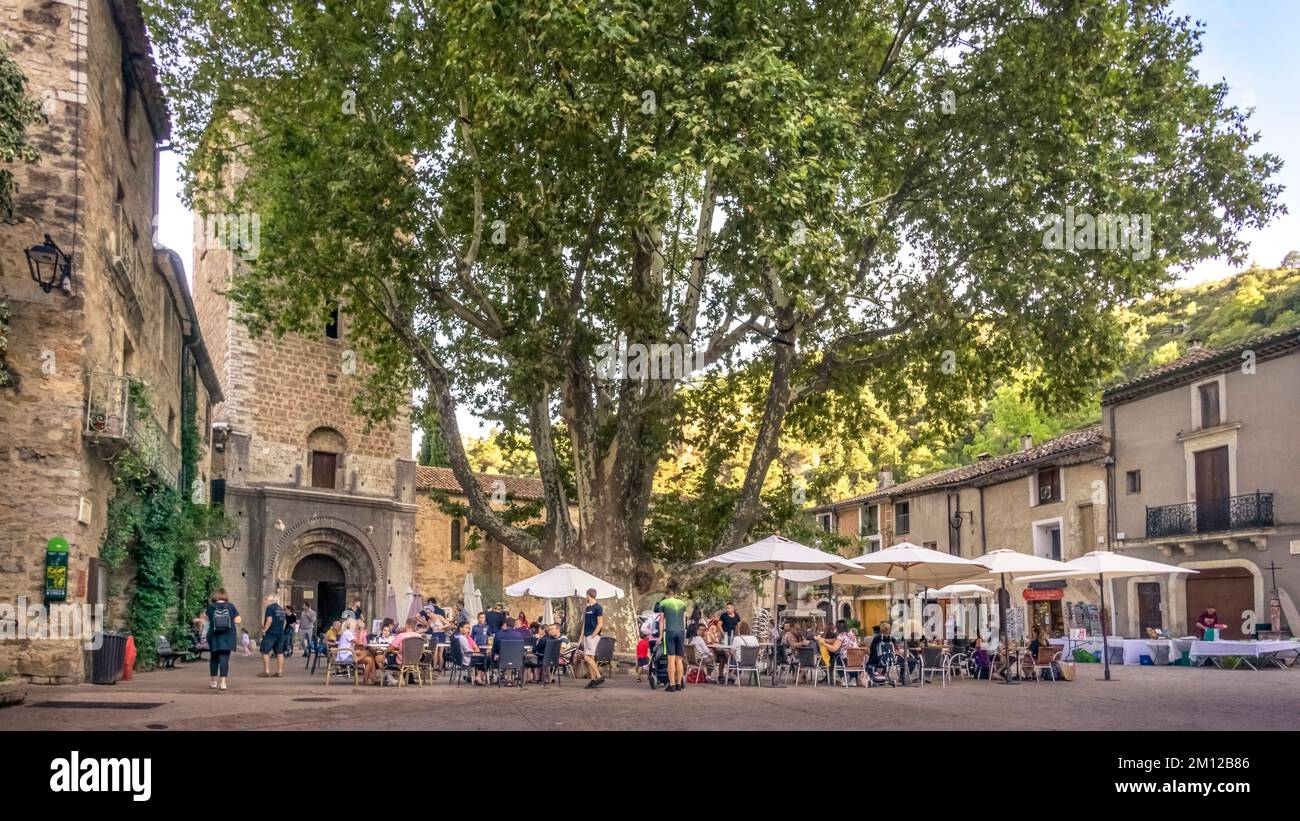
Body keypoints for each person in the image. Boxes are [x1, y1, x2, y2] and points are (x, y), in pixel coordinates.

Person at [654, 579, 689, 692]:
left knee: (670, 659)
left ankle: (672, 685)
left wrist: (660, 636)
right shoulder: (682, 603)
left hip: (670, 632)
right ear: (675, 594)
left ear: (666, 595)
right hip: (681, 632)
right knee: (679, 659)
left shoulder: (663, 603)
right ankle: (679, 684)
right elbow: (684, 620)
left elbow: (661, 621)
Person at [206, 589, 241, 690]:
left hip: (214, 635)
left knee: (214, 658)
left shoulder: (210, 607)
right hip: (228, 636)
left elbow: (208, 619)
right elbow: (238, 620)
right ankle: (223, 683)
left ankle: (213, 682)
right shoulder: (230, 606)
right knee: (224, 658)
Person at [579, 588, 606, 688]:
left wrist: (594, 635)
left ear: (588, 595)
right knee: (591, 658)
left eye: (586, 596)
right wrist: (582, 636)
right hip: (587, 635)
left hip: (592, 635)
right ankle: (593, 679)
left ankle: (599, 676)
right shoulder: (587, 608)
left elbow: (600, 624)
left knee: (586, 657)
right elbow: (585, 623)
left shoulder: (598, 607)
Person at [258, 595, 287, 678]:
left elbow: (269, 620)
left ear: (270, 601)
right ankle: (280, 672)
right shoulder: (281, 609)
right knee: (280, 652)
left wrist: (264, 630)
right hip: (280, 633)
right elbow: (284, 622)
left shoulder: (270, 608)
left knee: (264, 651)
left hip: (271, 632)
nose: (265, 602)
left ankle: (266, 671)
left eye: (266, 600)